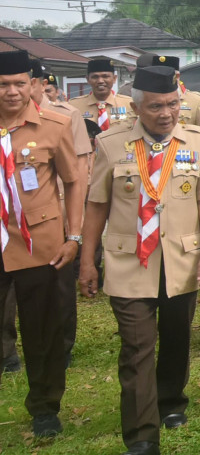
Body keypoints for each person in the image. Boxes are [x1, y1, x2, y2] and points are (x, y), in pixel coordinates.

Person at [79, 65, 200, 455]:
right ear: (138, 107)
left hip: (180, 258)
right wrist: (87, 260)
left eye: (173, 104)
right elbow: (97, 205)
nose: (166, 113)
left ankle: (171, 400)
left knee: (177, 335)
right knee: (137, 347)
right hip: (130, 262)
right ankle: (142, 436)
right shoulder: (110, 143)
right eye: (157, 106)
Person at [0, 49, 85, 440]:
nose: (12, 92)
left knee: (43, 331)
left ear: (31, 83)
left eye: (19, 83)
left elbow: (74, 181)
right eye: (3, 84)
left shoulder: (54, 124)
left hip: (40, 243)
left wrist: (73, 237)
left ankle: (45, 407)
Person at [29, 60, 91, 366]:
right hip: (14, 216)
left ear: (40, 84)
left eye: (25, 82)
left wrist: (73, 218)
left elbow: (78, 166)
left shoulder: (63, 117)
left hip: (56, 207)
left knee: (59, 282)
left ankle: (63, 343)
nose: (17, 91)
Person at [70, 57, 134, 132]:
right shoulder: (74, 106)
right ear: (88, 79)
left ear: (114, 78)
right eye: (95, 77)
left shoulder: (130, 104)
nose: (100, 81)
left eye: (105, 76)